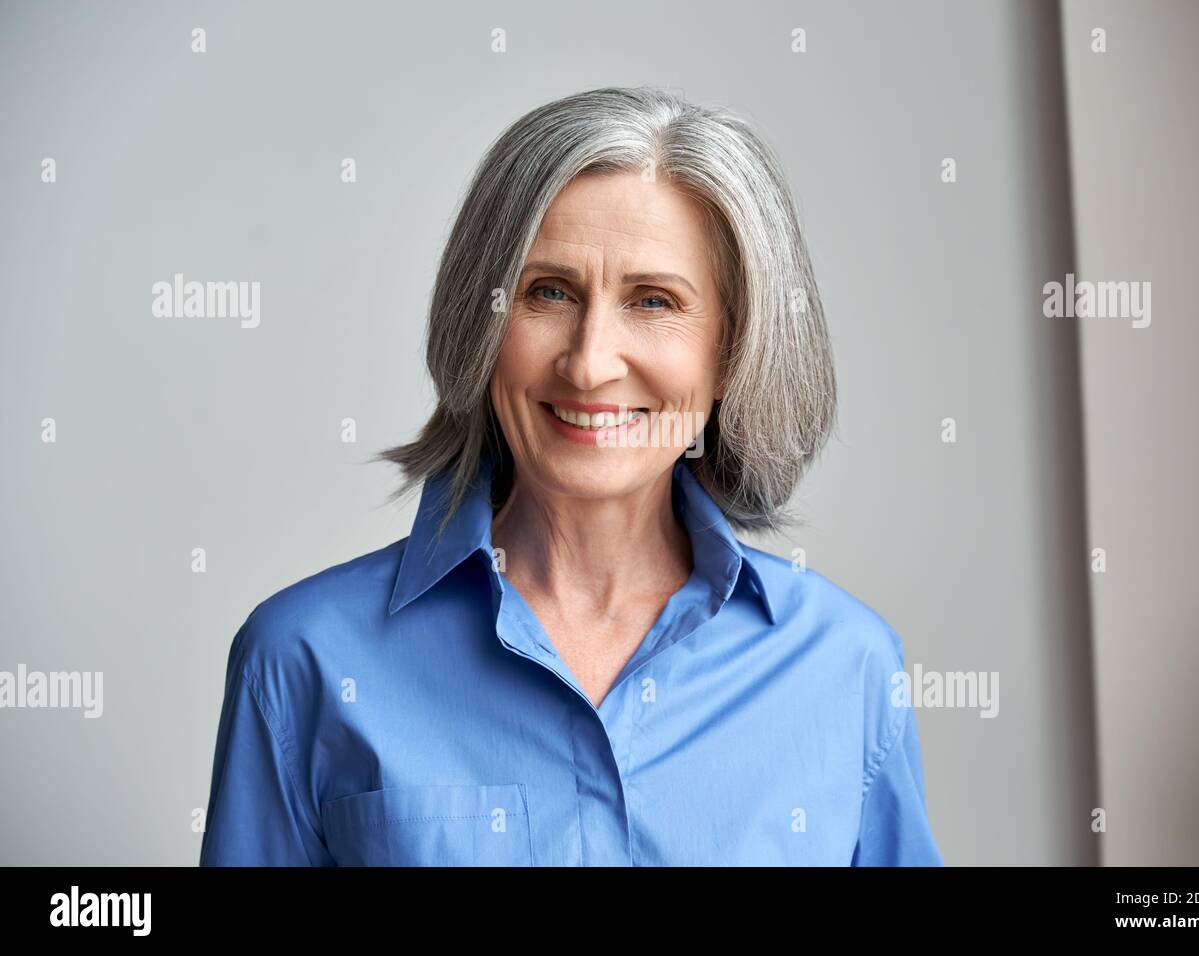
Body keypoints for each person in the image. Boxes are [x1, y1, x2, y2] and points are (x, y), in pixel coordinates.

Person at [199, 86, 942, 866]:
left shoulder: (846, 666)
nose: (589, 363)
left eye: (654, 301)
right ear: (481, 324)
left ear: (731, 354)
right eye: (547, 292)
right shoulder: (301, 657)